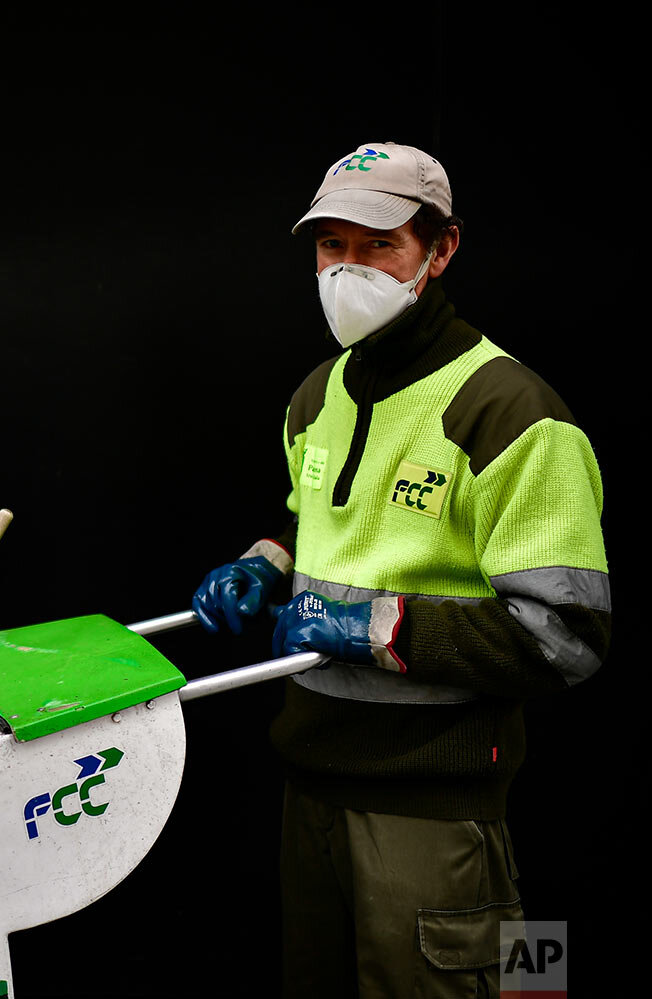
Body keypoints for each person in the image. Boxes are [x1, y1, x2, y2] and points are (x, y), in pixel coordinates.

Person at [190, 141, 610, 998]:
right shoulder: (318, 393)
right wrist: (267, 566)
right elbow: (324, 528)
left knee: (504, 984)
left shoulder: (514, 411)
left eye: (379, 244)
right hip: (309, 784)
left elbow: (568, 635)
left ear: (441, 248)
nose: (348, 271)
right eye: (330, 246)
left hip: (436, 810)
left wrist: (374, 628)